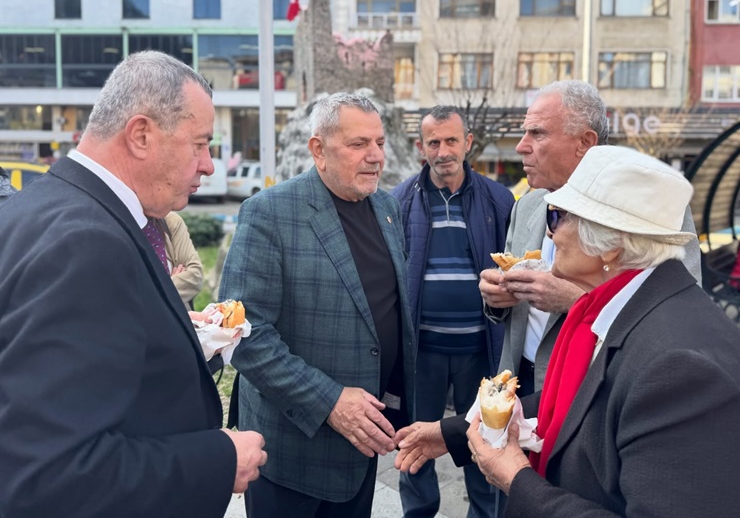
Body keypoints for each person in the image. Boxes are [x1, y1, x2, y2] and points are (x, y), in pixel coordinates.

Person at [395, 145, 740, 517]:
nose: (550, 233)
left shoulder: (680, 368)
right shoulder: (625, 309)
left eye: (558, 216)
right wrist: (455, 432)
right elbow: (576, 404)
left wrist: (516, 479)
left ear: (610, 246)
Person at [0, 51, 267, 518]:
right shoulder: (88, 243)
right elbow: (51, 477)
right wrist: (220, 460)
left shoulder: (42, 204)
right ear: (141, 135)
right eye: (200, 144)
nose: (208, 165)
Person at [219, 92, 416, 518]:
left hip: (362, 446)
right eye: (358, 144)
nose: (375, 156)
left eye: (379, 143)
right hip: (290, 452)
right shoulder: (269, 213)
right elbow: (244, 334)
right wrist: (329, 402)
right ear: (318, 150)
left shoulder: (387, 208)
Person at [479, 80, 701, 398]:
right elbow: (514, 307)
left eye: (537, 133)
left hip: (593, 389)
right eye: (524, 132)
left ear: (585, 142)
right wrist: (497, 297)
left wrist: (578, 301)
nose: (521, 146)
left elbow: (679, 312)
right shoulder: (528, 204)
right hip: (519, 381)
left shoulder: (648, 210)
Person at [392, 106, 514, 518]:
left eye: (451, 141)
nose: (443, 151)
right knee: (414, 444)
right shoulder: (398, 202)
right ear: (420, 147)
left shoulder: (498, 200)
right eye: (433, 142)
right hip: (421, 352)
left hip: (481, 351)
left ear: (468, 143)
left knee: (482, 443)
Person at [151, 211, 204, 308]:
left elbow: (195, 275)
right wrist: (172, 284)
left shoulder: (170, 221)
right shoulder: (122, 229)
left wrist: (154, 294)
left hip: (182, 316)